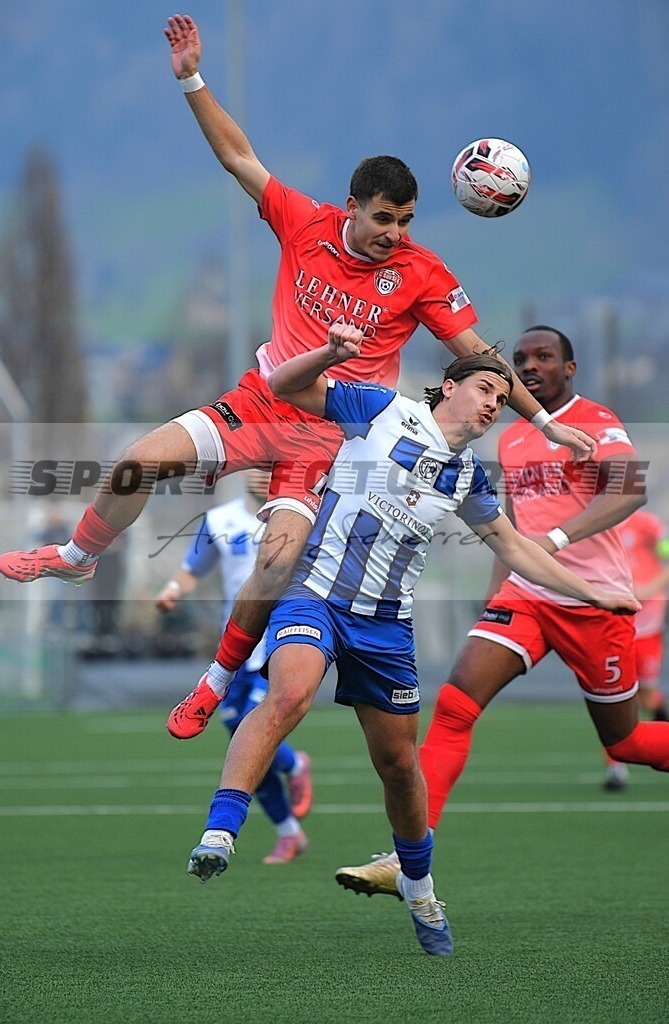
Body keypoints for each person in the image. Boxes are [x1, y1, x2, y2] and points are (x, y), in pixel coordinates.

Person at [0, 14, 595, 731]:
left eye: (404, 220)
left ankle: (215, 681)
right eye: (383, 219)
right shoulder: (302, 222)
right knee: (134, 463)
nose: (394, 234)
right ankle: (76, 556)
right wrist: (191, 77)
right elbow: (237, 156)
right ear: (351, 207)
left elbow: (483, 356)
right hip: (259, 403)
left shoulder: (420, 274)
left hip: (331, 436)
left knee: (278, 560)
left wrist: (544, 421)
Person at [184, 321, 637, 958]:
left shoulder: (468, 479)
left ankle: (419, 885)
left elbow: (512, 547)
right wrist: (334, 353)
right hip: (314, 594)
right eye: (484, 389)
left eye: (499, 401)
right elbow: (283, 385)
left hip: (385, 625)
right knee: (288, 696)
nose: (490, 404)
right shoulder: (378, 410)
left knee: (399, 766)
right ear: (447, 385)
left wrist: (593, 593)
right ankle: (221, 831)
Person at [333, 325, 669, 904]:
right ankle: (408, 857)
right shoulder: (511, 439)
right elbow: (508, 532)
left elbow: (630, 491)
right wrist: (498, 595)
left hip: (594, 599)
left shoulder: (593, 417)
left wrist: (557, 540)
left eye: (544, 357)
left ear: (570, 368)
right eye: (519, 360)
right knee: (455, 708)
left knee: (625, 742)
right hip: (524, 598)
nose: (529, 367)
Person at [156, 469, 313, 863]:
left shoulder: (305, 514)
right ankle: (290, 827)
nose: (265, 476)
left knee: (250, 727)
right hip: (239, 642)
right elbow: (193, 568)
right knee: (241, 739)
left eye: (273, 469)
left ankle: (293, 767)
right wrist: (173, 591)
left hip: (283, 638)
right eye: (259, 468)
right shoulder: (219, 520)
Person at [603, 506, 669, 790]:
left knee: (646, 695)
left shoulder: (646, 524)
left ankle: (661, 718)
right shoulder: (597, 525)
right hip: (612, 623)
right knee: (611, 695)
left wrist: (649, 588)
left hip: (648, 623)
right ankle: (616, 771)